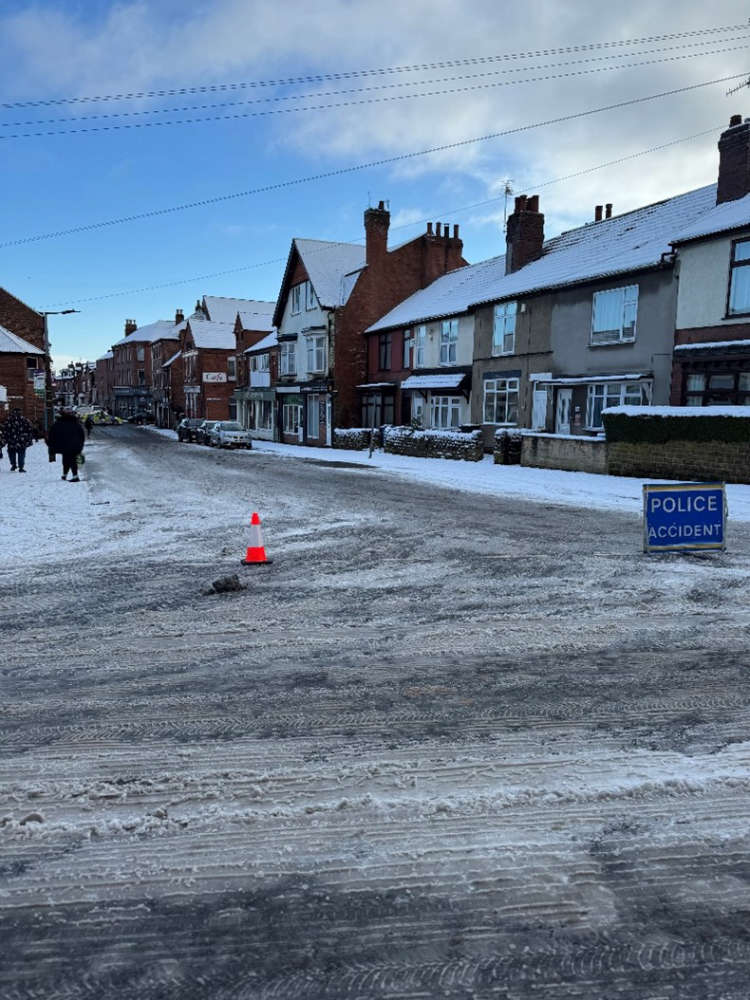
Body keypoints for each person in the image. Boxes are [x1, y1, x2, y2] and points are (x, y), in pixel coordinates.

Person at [48, 407, 85, 482]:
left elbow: (52, 434)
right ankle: (67, 475)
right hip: (75, 445)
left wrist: (52, 445)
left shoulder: (59, 423)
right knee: (71, 459)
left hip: (64, 445)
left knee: (66, 459)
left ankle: (73, 476)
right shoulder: (76, 423)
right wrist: (80, 444)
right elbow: (82, 435)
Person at [2, 407, 34, 473]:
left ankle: (13, 465)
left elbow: (5, 430)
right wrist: (27, 438)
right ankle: (21, 467)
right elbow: (30, 429)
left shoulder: (9, 420)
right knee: (21, 454)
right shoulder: (25, 420)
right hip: (21, 440)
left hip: (11, 440)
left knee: (11, 453)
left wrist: (5, 439)